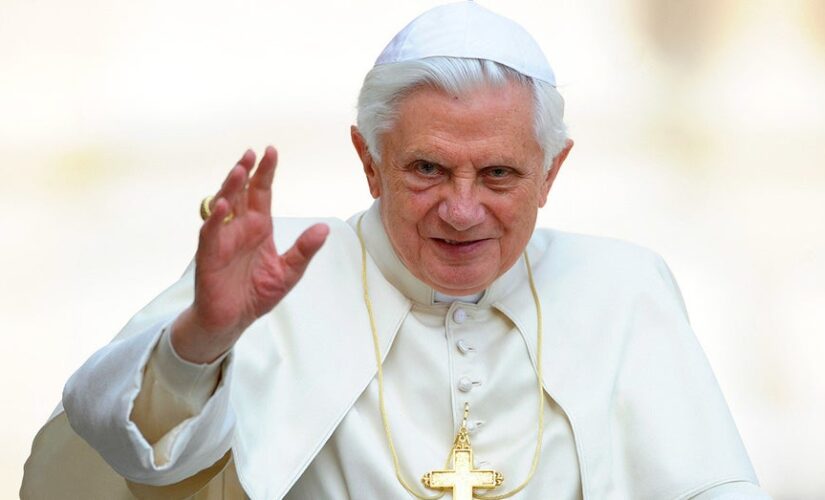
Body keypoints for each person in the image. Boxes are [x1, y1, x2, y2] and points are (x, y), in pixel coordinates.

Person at [22, 2, 771, 499]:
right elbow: (128, 449)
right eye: (426, 169)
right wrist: (204, 338)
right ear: (367, 159)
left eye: (500, 174)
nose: (461, 209)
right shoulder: (281, 271)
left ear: (552, 172)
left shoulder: (622, 289)